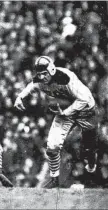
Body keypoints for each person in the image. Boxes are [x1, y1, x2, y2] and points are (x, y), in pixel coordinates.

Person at [14, 56, 99, 188]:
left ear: (52, 70)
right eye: (40, 74)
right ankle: (54, 179)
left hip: (86, 110)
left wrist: (66, 112)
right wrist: (20, 96)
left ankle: (92, 162)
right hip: (64, 111)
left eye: (44, 74)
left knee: (88, 149)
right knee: (52, 148)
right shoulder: (39, 80)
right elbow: (32, 86)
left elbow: (85, 100)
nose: (42, 77)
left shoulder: (66, 78)